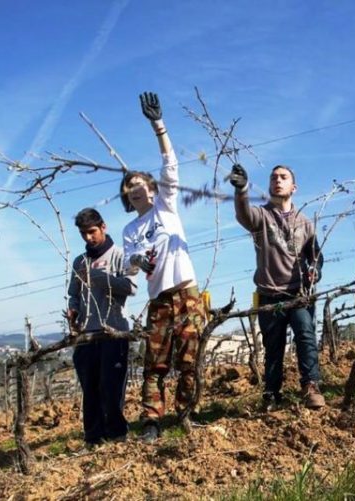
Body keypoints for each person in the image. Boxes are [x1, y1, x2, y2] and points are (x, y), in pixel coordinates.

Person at [121, 92, 208, 441]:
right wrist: (137, 260)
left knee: (189, 360)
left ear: (154, 189)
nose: (134, 187)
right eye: (129, 186)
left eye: (139, 182)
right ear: (127, 197)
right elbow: (129, 267)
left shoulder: (166, 208)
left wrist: (158, 125)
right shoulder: (130, 230)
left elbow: (171, 164)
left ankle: (188, 415)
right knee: (154, 364)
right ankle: (152, 422)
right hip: (159, 300)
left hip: (186, 293)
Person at [229, 163, 326, 410]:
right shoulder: (261, 217)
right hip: (269, 294)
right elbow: (243, 215)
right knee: (273, 347)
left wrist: (315, 270)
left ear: (294, 187)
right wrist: (241, 190)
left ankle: (311, 386)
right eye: (273, 178)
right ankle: (272, 394)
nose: (277, 180)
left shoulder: (305, 222)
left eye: (283, 177)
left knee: (305, 334)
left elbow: (315, 254)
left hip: (298, 293)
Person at [67, 208, 136, 447]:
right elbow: (73, 295)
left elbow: (131, 287)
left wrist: (99, 278)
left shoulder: (120, 255)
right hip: (86, 335)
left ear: (103, 227)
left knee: (111, 386)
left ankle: (117, 435)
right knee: (90, 389)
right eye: (83, 234)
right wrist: (73, 311)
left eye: (92, 232)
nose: (88, 238)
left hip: (113, 332)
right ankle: (93, 438)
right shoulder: (79, 262)